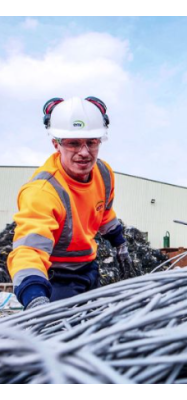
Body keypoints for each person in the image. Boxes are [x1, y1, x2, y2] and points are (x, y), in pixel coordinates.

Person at [7, 97, 133, 310]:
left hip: (89, 268)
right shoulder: (42, 191)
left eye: (91, 142)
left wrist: (120, 243)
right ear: (56, 143)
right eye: (73, 143)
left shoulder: (103, 173)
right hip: (59, 279)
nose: (84, 152)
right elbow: (29, 251)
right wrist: (35, 296)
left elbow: (103, 212)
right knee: (64, 337)